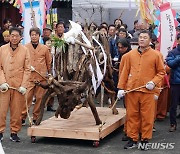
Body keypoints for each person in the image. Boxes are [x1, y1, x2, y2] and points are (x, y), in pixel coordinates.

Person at [117, 30, 165, 149]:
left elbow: (161, 72)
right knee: (132, 115)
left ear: (150, 40)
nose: (142, 39)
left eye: (145, 37)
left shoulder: (156, 55)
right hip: (132, 90)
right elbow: (124, 72)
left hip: (148, 91)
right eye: (140, 37)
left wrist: (153, 83)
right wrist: (121, 88)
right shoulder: (129, 55)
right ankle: (133, 138)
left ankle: (145, 139)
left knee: (147, 116)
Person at [0, 27, 31, 142]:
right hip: (5, 86)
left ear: (20, 37)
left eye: (16, 36)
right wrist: (2, 82)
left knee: (17, 110)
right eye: (12, 35)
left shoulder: (25, 50)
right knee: (1, 110)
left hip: (18, 86)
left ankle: (14, 132)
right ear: (9, 36)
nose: (14, 38)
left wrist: (24, 85)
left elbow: (27, 69)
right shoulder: (2, 49)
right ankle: (0, 131)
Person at [21, 27, 52, 125]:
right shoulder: (25, 47)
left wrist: (49, 73)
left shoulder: (44, 48)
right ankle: (23, 116)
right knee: (26, 98)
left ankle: (36, 116)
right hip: (29, 77)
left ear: (39, 36)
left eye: (36, 35)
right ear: (30, 36)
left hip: (41, 77)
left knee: (39, 98)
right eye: (32, 35)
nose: (34, 36)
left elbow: (48, 62)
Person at [166, 33, 180, 132]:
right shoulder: (172, 52)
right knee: (173, 105)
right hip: (176, 82)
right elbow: (170, 64)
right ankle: (173, 124)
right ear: (178, 40)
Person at [43, 37, 56, 112]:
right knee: (43, 90)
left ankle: (49, 105)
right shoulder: (43, 51)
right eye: (48, 43)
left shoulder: (53, 52)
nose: (49, 45)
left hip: (53, 72)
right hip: (45, 73)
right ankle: (42, 105)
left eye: (51, 43)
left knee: (52, 89)